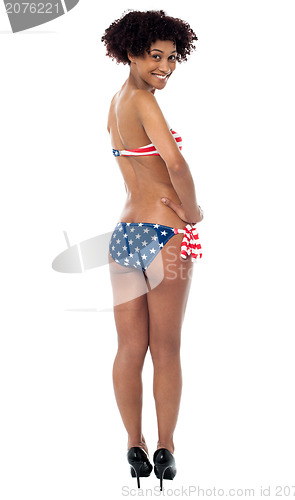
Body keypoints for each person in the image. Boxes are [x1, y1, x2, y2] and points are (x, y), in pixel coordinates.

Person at [101, 9, 203, 491]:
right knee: (165, 348)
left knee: (128, 348)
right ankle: (164, 447)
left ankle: (133, 445)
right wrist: (194, 210)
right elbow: (175, 164)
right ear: (130, 52)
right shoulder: (143, 101)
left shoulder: (115, 104)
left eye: (172, 56)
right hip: (165, 237)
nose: (165, 65)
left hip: (124, 238)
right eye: (155, 55)